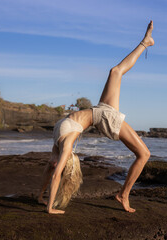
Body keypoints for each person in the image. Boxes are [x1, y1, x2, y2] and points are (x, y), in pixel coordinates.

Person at [38, 20, 155, 214]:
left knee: (115, 71)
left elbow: (52, 167)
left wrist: (40, 197)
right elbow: (57, 173)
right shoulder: (65, 144)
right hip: (103, 118)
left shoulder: (57, 144)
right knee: (144, 155)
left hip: (99, 111)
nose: (65, 157)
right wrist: (50, 209)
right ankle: (123, 195)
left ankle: (145, 41)